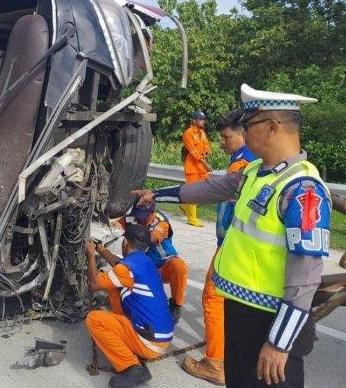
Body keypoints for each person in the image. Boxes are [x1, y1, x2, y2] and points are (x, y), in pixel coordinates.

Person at [134, 84, 330, 387]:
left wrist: (279, 343)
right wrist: (156, 194)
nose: (244, 134)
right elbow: (210, 189)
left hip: (270, 322)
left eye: (248, 125)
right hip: (239, 310)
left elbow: (306, 277)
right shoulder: (256, 172)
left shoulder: (302, 190)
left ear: (272, 126)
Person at [181, 109, 257, 385]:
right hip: (241, 244)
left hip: (231, 244)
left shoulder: (241, 165)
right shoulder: (252, 160)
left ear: (244, 134)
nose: (222, 141)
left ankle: (214, 363)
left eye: (227, 136)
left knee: (213, 298)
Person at [85, 224, 174, 388]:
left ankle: (132, 368)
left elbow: (94, 284)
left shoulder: (126, 268)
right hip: (162, 337)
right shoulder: (145, 261)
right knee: (114, 289)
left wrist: (91, 255)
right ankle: (130, 339)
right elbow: (120, 263)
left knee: (94, 319)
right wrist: (102, 250)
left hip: (150, 343)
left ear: (125, 243)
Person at [122, 204, 187, 323]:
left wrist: (131, 232)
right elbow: (116, 223)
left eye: (144, 216)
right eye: (138, 215)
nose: (140, 219)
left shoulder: (161, 222)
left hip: (162, 265)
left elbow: (152, 238)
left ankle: (176, 304)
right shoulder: (132, 217)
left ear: (153, 213)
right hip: (143, 265)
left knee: (179, 265)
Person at [181, 110, 212, 227]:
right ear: (194, 120)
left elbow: (206, 146)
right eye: (200, 119)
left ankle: (185, 206)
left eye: (203, 119)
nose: (203, 121)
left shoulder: (202, 132)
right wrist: (204, 163)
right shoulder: (188, 133)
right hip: (193, 167)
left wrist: (207, 154)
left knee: (204, 189)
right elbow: (193, 151)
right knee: (194, 192)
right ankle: (192, 218)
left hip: (202, 167)